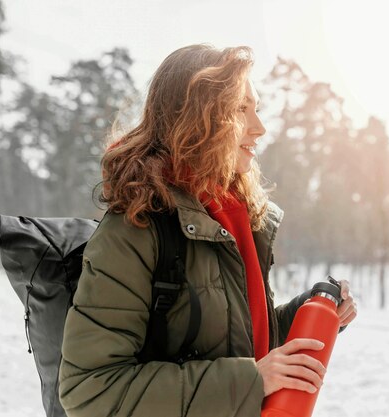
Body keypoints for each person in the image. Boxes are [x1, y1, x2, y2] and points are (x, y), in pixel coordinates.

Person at [58, 44, 357, 417]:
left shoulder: (234, 218)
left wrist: (310, 312)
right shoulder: (136, 227)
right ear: (196, 118)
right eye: (239, 109)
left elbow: (242, 346)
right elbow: (89, 390)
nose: (259, 128)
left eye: (257, 109)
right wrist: (252, 381)